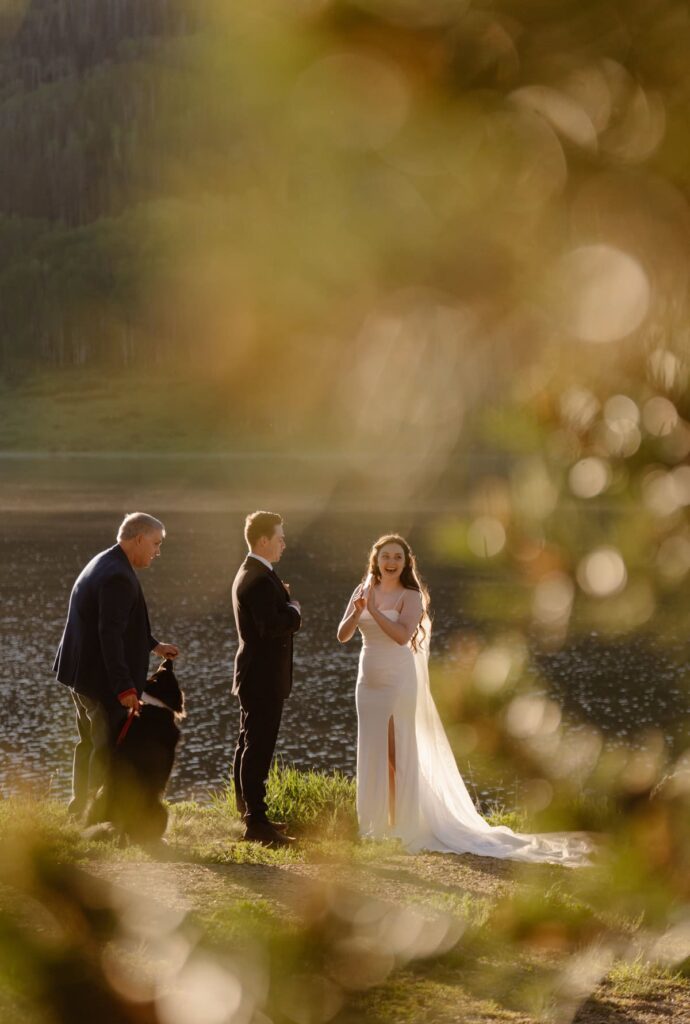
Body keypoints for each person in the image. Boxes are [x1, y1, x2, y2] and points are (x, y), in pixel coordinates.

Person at [338, 534, 591, 866]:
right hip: (367, 683)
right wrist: (358, 611)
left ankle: (400, 826)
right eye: (386, 555)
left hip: (398, 681)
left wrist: (373, 610)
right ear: (376, 559)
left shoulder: (411, 596)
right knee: (373, 749)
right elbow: (343, 634)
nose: (391, 562)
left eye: (397, 557)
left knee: (398, 751)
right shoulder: (363, 590)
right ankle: (373, 826)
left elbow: (401, 637)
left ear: (405, 562)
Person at [53, 513, 180, 821]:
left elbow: (118, 622)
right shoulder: (118, 577)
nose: (157, 552)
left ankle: (80, 809)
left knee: (88, 743)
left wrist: (153, 645)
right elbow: (109, 634)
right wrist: (125, 687)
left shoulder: (106, 561)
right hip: (101, 681)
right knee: (104, 747)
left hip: (80, 674)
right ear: (138, 539)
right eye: (155, 543)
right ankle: (96, 817)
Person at [231, 511, 301, 847]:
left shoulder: (257, 573)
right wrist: (294, 611)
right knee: (257, 748)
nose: (284, 543)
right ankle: (255, 823)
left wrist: (282, 599)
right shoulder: (257, 577)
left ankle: (250, 814)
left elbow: (265, 614)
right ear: (263, 541)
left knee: (249, 743)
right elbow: (270, 627)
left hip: (256, 676)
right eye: (280, 537)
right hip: (261, 678)